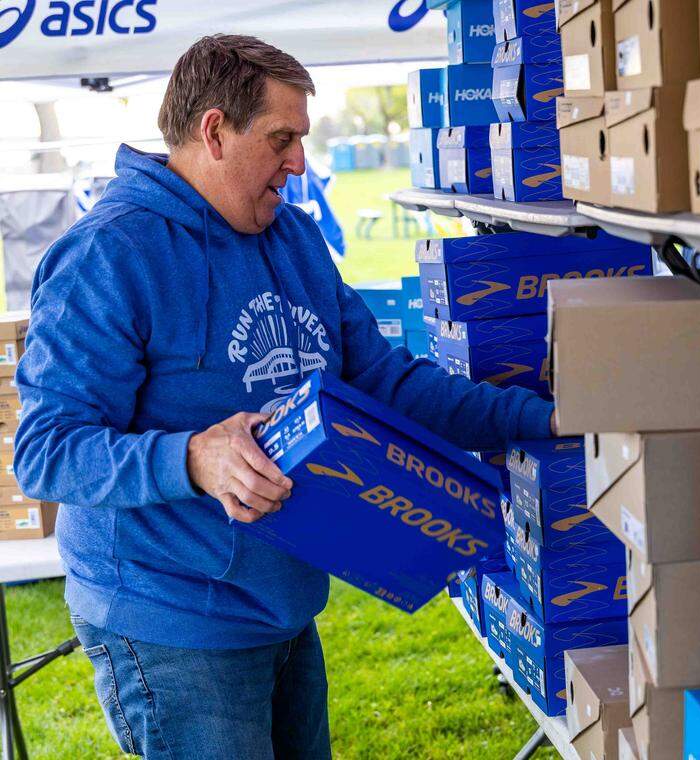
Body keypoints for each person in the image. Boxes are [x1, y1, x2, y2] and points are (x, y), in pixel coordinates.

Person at [13, 34, 555, 760]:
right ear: (214, 132)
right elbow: (45, 453)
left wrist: (548, 418)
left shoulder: (290, 237)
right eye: (282, 139)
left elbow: (385, 383)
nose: (300, 162)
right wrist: (196, 458)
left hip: (284, 606)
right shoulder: (109, 255)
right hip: (173, 621)